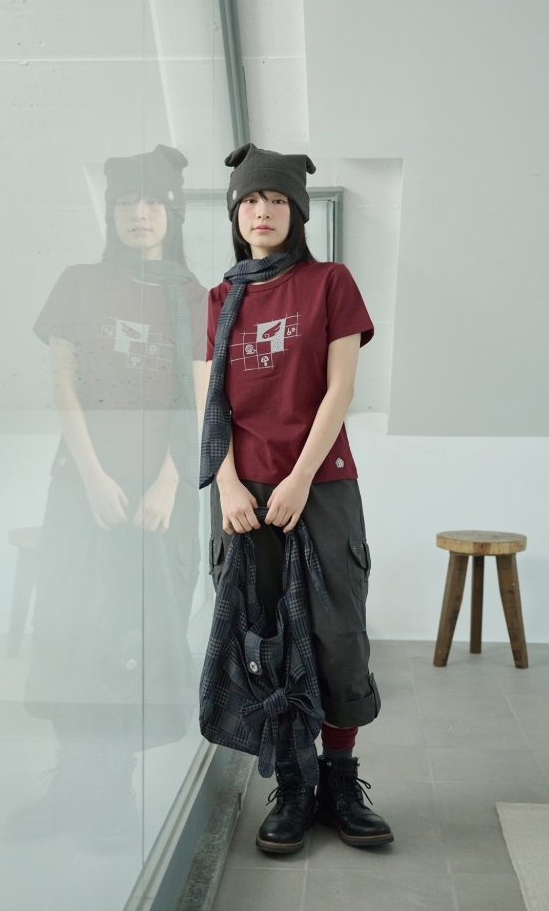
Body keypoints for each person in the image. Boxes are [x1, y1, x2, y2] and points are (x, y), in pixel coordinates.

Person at [6, 145, 207, 849]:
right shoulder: (80, 282)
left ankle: (114, 792)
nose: (138, 214)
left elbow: (201, 401)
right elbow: (63, 387)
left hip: (159, 499)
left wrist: (168, 483)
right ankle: (69, 787)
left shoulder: (194, 296)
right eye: (125, 202)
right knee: (72, 636)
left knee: (134, 642)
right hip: (83, 487)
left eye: (151, 202)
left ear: (172, 212)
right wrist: (92, 476)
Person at [201, 143, 393, 853]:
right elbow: (211, 403)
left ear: (298, 212)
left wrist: (301, 476)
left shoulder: (329, 282)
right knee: (265, 641)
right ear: (235, 212)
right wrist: (226, 483)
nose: (263, 211)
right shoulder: (219, 298)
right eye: (251, 199)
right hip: (244, 496)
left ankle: (339, 781)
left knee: (338, 635)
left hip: (321, 483)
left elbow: (341, 388)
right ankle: (292, 783)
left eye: (277, 200)